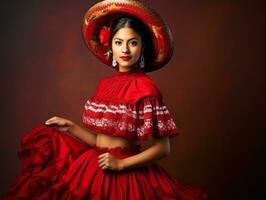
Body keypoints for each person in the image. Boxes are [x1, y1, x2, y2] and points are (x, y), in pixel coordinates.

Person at [5, 0, 208, 199]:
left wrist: (120, 165)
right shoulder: (105, 84)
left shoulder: (146, 88)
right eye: (119, 42)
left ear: (142, 47)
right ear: (110, 46)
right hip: (94, 165)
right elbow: (99, 142)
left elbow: (163, 148)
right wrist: (70, 127)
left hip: (126, 172)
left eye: (133, 42)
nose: (125, 50)